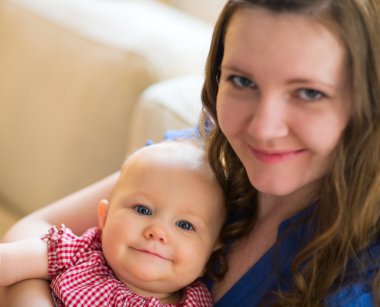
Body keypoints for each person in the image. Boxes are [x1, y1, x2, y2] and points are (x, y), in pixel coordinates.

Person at [1, 0, 380, 306]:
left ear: (367, 101)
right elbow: (31, 233)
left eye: (309, 93)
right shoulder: (204, 154)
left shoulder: (363, 273)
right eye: (242, 80)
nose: (263, 128)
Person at [0, 140, 226, 306]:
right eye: (142, 209)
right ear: (104, 217)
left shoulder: (196, 303)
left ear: (210, 252)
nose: (157, 232)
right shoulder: (78, 253)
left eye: (185, 225)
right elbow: (7, 261)